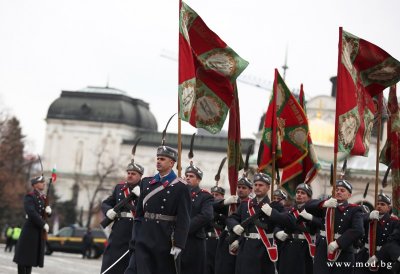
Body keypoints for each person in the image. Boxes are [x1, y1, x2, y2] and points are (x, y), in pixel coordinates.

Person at [124, 145, 191, 274]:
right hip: (144, 235)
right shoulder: (147, 183)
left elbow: (184, 218)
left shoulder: (181, 187)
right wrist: (135, 237)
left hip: (164, 237)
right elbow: (139, 215)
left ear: (171, 163)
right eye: (158, 158)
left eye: (162, 159)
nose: (158, 161)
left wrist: (178, 244)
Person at [226, 173, 286, 274]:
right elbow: (231, 218)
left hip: (264, 249)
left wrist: (273, 213)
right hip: (246, 248)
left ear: (268, 187)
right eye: (256, 185)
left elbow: (285, 221)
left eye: (261, 185)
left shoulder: (275, 206)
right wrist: (235, 225)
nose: (257, 187)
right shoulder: (246, 204)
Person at [305, 179, 364, 274]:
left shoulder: (355, 209)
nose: (339, 192)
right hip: (323, 250)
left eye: (342, 190)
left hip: (343, 251)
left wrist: (338, 243)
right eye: (337, 190)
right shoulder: (328, 205)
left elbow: (358, 230)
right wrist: (323, 204)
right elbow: (307, 206)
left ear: (349, 195)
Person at [100, 160, 143, 273]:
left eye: (133, 174)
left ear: (140, 176)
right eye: (128, 173)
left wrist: (139, 197)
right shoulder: (119, 188)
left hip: (135, 229)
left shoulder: (145, 190)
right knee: (111, 260)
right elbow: (106, 203)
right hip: (119, 230)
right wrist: (108, 211)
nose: (129, 175)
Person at [274, 183, 322, 274]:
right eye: (297, 192)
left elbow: (322, 225)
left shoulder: (314, 212)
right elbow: (277, 226)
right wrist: (277, 233)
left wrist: (312, 218)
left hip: (305, 249)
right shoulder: (288, 210)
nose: (299, 194)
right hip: (288, 248)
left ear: (309, 197)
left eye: (303, 193)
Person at [13, 175, 52, 274]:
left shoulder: (43, 198)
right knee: (23, 258)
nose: (44, 184)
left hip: (37, 232)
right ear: (35, 185)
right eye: (41, 182)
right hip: (29, 231)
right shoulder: (30, 196)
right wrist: (43, 224)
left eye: (44, 182)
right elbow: (31, 212)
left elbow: (43, 214)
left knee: (30, 259)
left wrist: (48, 212)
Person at [214, 177, 252, 274]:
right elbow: (210, 206)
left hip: (243, 240)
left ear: (250, 190)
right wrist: (224, 202)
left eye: (244, 188)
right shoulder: (231, 202)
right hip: (226, 239)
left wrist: (239, 240)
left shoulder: (252, 205)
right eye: (239, 187)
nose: (240, 189)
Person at [181, 164, 214, 274]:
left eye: (191, 176)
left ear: (198, 179)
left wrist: (185, 228)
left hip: (194, 241)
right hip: (177, 239)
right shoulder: (179, 194)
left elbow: (206, 215)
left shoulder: (205, 196)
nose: (188, 178)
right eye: (186, 176)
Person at [355, 193, 399, 274]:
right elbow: (357, 221)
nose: (379, 206)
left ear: (388, 208)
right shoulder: (369, 217)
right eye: (377, 204)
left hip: (383, 258)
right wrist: (368, 216)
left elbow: (393, 241)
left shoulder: (394, 222)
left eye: (382, 204)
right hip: (365, 255)